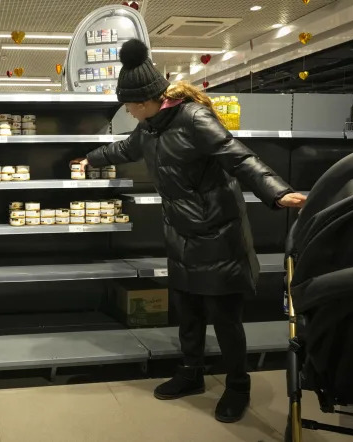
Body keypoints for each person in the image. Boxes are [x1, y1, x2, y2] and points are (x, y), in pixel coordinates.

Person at [72, 39, 307, 423]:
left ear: (149, 99)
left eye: (131, 105)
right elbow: (125, 149)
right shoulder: (148, 128)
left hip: (218, 233)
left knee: (224, 317)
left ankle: (237, 386)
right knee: (188, 312)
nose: (128, 111)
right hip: (180, 233)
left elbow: (238, 156)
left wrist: (276, 191)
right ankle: (191, 373)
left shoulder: (194, 119)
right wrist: (91, 159)